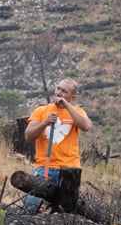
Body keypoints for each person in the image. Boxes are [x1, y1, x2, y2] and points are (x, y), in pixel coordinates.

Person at [22, 79, 94, 212]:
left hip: (69, 170)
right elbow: (28, 136)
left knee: (63, 211)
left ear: (72, 97)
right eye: (58, 88)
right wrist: (44, 123)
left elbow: (86, 126)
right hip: (44, 167)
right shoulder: (41, 110)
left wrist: (67, 106)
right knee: (31, 207)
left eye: (64, 91)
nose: (59, 93)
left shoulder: (77, 111)